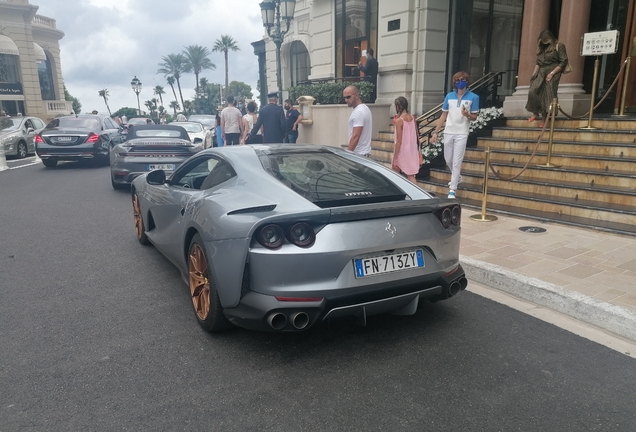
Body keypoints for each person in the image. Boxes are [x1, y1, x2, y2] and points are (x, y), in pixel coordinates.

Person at [431, 71, 479, 199]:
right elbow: (443, 115)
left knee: (457, 161)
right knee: (448, 159)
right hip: (449, 131)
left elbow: (474, 116)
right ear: (454, 82)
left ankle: (452, 189)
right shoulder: (449, 96)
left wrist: (467, 115)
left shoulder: (474, 97)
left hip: (462, 132)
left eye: (463, 80)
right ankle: (457, 177)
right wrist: (436, 131)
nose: (460, 82)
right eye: (457, 80)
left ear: (467, 81)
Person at [526, 30, 569, 126]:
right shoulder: (542, 48)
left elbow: (563, 61)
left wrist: (552, 73)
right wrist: (534, 72)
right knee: (533, 90)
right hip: (541, 71)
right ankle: (535, 113)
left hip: (554, 70)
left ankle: (545, 118)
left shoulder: (559, 46)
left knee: (548, 94)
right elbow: (538, 62)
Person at [392, 96, 420, 184]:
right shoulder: (412, 118)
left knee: (394, 172)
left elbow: (399, 141)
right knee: (410, 175)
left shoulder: (399, 121)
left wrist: (395, 157)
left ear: (397, 107)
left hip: (402, 150)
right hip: (411, 150)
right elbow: (417, 135)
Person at [343, 85, 372, 157]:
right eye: (345, 98)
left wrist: (347, 154)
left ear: (356, 95)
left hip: (359, 155)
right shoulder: (365, 108)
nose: (346, 100)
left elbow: (356, 136)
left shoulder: (358, 112)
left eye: (348, 97)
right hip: (364, 154)